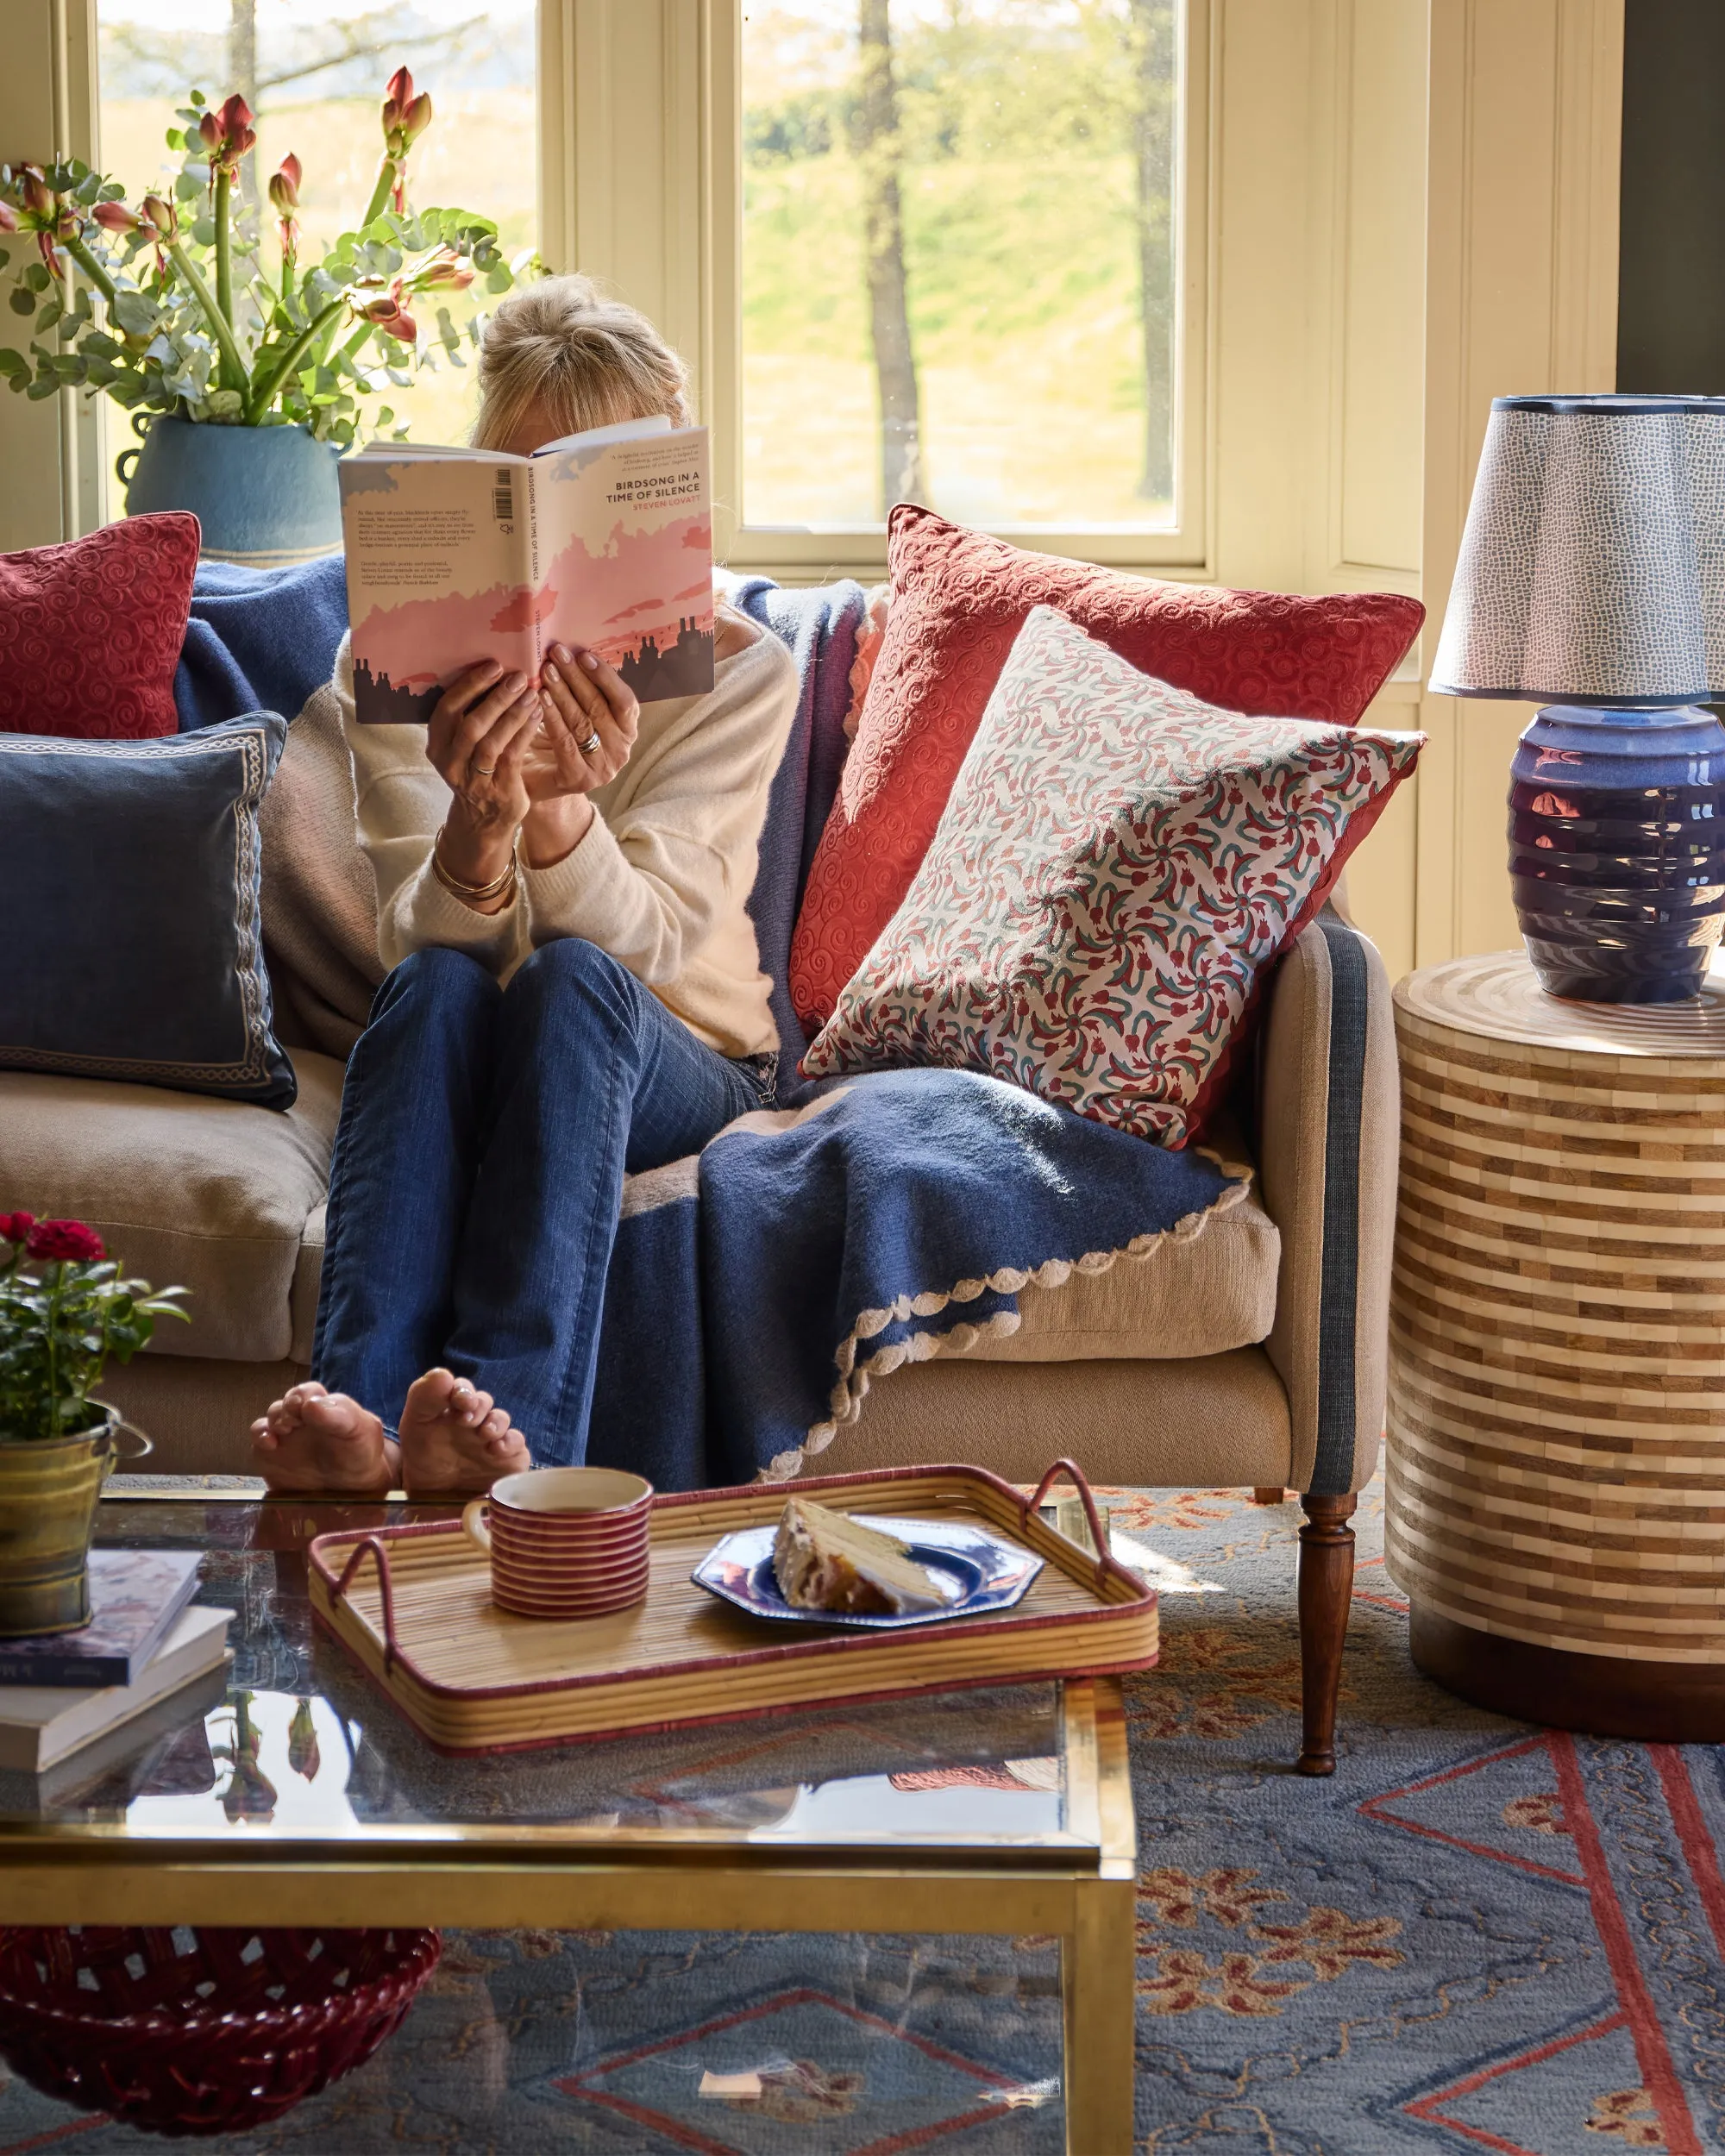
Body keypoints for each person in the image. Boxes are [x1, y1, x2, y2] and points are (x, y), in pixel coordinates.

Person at [251, 276, 797, 1498]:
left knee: (573, 983)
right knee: (439, 989)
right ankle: (362, 1420)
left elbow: (653, 944)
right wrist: (480, 827)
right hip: (472, 1020)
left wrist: (557, 810)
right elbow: (412, 945)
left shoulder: (747, 672)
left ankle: (506, 1433)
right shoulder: (390, 660)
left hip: (678, 1048)